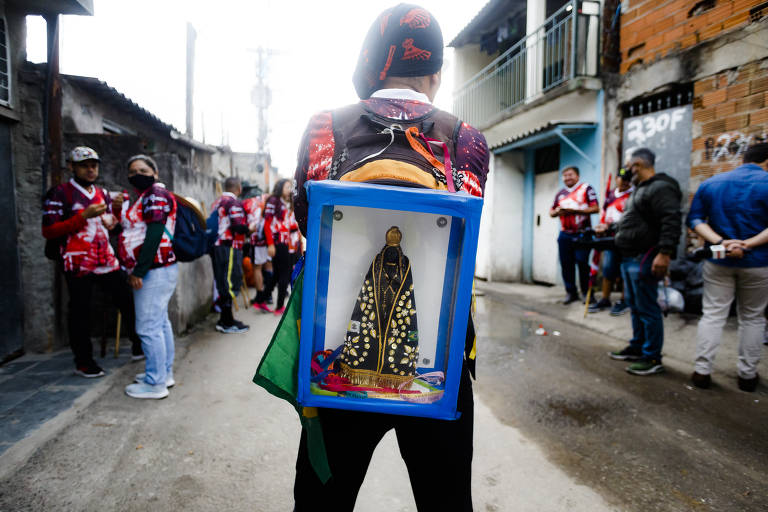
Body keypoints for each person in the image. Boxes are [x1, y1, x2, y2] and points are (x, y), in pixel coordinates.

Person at [290, 5, 488, 510]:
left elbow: (305, 220)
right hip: (437, 358)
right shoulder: (467, 140)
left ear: (372, 65)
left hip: (337, 352)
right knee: (444, 499)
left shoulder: (324, 127)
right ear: (436, 75)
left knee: (323, 499)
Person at [42, 146, 138, 378]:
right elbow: (49, 230)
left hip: (106, 258)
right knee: (80, 310)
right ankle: (83, 361)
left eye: (94, 165)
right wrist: (82, 217)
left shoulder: (103, 193)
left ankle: (139, 344)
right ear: (72, 167)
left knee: (126, 299)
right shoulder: (60, 194)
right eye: (84, 165)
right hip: (77, 262)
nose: (90, 170)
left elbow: (113, 225)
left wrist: (113, 218)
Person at [686, 143, 768, 392]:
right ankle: (747, 376)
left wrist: (721, 242)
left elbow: (695, 220)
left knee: (712, 314)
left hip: (718, 259)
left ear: (745, 159)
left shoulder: (712, 183)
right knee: (753, 318)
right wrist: (747, 244)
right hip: (758, 262)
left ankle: (702, 371)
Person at [609, 147, 682, 376]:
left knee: (648, 308)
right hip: (630, 256)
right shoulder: (640, 190)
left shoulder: (661, 187)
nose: (628, 171)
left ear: (638, 165)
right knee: (635, 305)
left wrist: (665, 252)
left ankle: (652, 357)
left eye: (629, 166)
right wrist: (611, 228)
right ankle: (638, 345)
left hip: (645, 257)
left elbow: (671, 220)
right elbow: (632, 221)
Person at [118, 155, 179, 399]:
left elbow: (154, 233)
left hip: (153, 270)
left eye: (143, 169)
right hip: (159, 270)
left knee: (148, 327)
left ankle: (155, 384)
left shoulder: (155, 194)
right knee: (160, 323)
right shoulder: (147, 196)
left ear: (155, 173)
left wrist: (139, 271)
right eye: (132, 171)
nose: (137, 174)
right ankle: (163, 374)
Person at [549, 166, 599, 304]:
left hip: (583, 234)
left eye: (570, 175)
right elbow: (551, 212)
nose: (567, 178)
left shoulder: (586, 189)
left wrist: (575, 211)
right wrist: (559, 212)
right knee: (566, 265)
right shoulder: (561, 193)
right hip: (565, 235)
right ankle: (571, 293)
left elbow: (596, 208)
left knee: (583, 264)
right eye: (565, 176)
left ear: (577, 176)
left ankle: (587, 293)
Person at [590, 167, 634, 315]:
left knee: (624, 270)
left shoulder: (633, 195)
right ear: (616, 178)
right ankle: (605, 298)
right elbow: (605, 212)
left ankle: (625, 300)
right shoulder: (611, 194)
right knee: (608, 268)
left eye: (626, 179)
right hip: (609, 236)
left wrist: (610, 226)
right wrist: (602, 226)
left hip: (626, 237)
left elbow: (630, 218)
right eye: (620, 178)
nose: (623, 182)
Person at [212, 177, 250, 333]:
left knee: (223, 282)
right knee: (230, 281)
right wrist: (250, 228)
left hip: (218, 246)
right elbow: (238, 227)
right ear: (239, 188)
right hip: (229, 246)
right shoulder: (233, 202)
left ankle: (224, 319)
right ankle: (227, 322)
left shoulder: (217, 202)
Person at [254, 179, 295, 316]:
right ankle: (279, 307)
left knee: (277, 274)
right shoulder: (273, 200)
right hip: (277, 243)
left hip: (283, 243)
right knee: (285, 273)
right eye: (287, 187)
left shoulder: (283, 203)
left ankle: (261, 300)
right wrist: (270, 244)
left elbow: (285, 224)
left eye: (290, 187)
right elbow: (267, 224)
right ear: (279, 187)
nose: (289, 189)